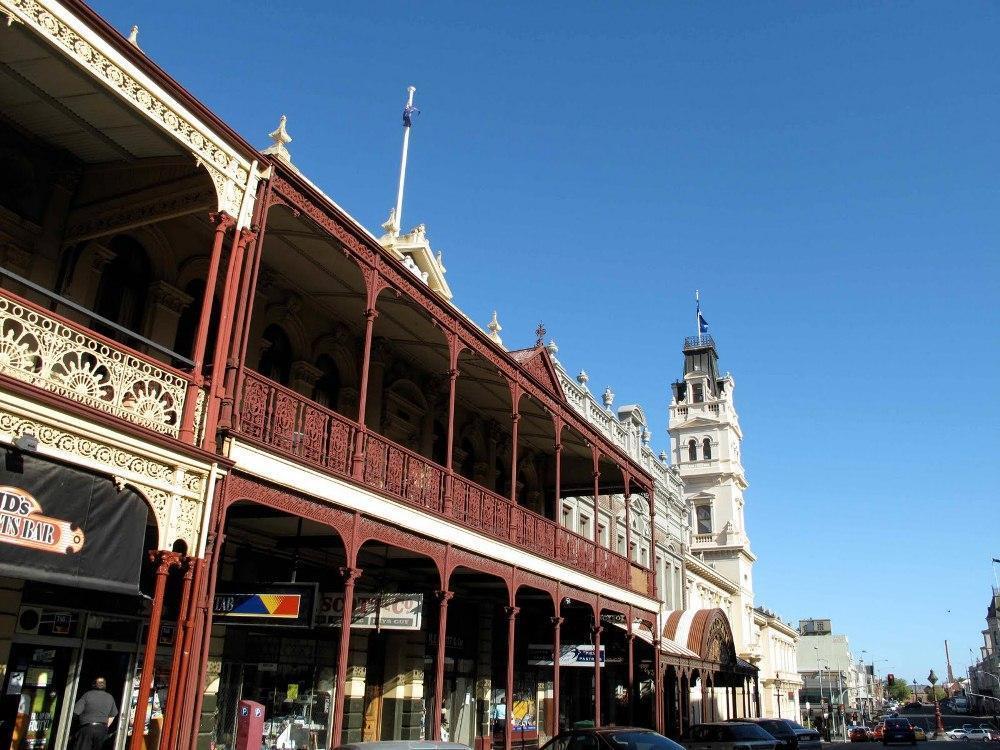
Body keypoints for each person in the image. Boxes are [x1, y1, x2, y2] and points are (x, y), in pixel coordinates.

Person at [73, 677, 118, 750]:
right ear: (105, 685)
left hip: (87, 729)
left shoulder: (87, 695)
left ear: (94, 685)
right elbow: (113, 715)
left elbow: (76, 712)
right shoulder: (110, 697)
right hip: (102, 730)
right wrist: (106, 726)